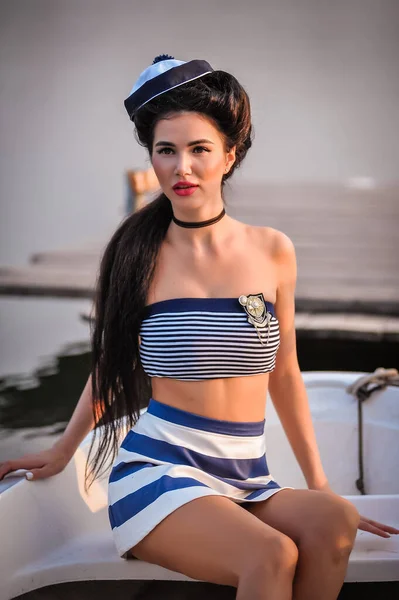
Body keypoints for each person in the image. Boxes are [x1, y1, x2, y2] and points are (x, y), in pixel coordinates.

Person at [0, 55, 397, 600]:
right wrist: (65, 450)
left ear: (229, 156)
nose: (181, 167)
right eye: (166, 151)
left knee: (333, 523)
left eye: (199, 149)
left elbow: (284, 371)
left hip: (247, 479)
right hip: (158, 473)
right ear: (153, 159)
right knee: (272, 554)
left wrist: (320, 484)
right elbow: (112, 366)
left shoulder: (272, 250)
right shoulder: (136, 256)